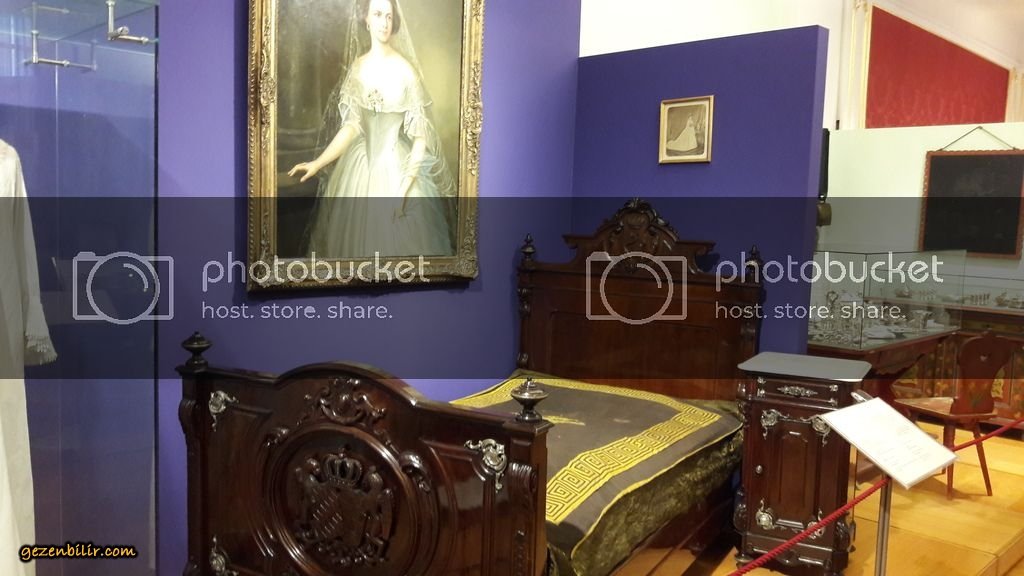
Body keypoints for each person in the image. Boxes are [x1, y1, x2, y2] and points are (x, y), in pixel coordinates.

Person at [288, 0, 456, 259]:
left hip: (398, 173)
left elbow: (421, 138)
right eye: (377, 14)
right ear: (366, 19)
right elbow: (351, 126)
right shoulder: (358, 68)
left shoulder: (405, 71)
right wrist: (317, 163)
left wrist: (404, 189)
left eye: (389, 16)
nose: (384, 23)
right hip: (358, 170)